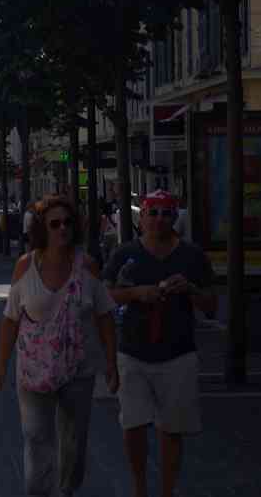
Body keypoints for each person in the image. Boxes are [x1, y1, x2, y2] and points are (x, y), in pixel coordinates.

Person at [0, 195, 119, 497]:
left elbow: (105, 316)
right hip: (33, 371)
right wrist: (0, 368)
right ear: (42, 229)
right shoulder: (25, 267)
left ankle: (66, 490)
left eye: (68, 223)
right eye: (54, 223)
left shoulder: (88, 267)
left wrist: (111, 362)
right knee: (36, 438)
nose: (62, 229)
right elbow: (10, 319)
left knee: (74, 444)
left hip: (79, 370)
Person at [102, 190, 217, 497]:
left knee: (172, 429)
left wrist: (190, 289)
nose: (159, 219)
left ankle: (167, 490)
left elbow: (210, 305)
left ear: (176, 217)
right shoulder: (126, 254)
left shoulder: (192, 256)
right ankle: (140, 488)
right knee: (134, 426)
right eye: (153, 213)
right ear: (143, 218)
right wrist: (137, 293)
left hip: (178, 352)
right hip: (133, 351)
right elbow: (105, 295)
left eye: (166, 213)